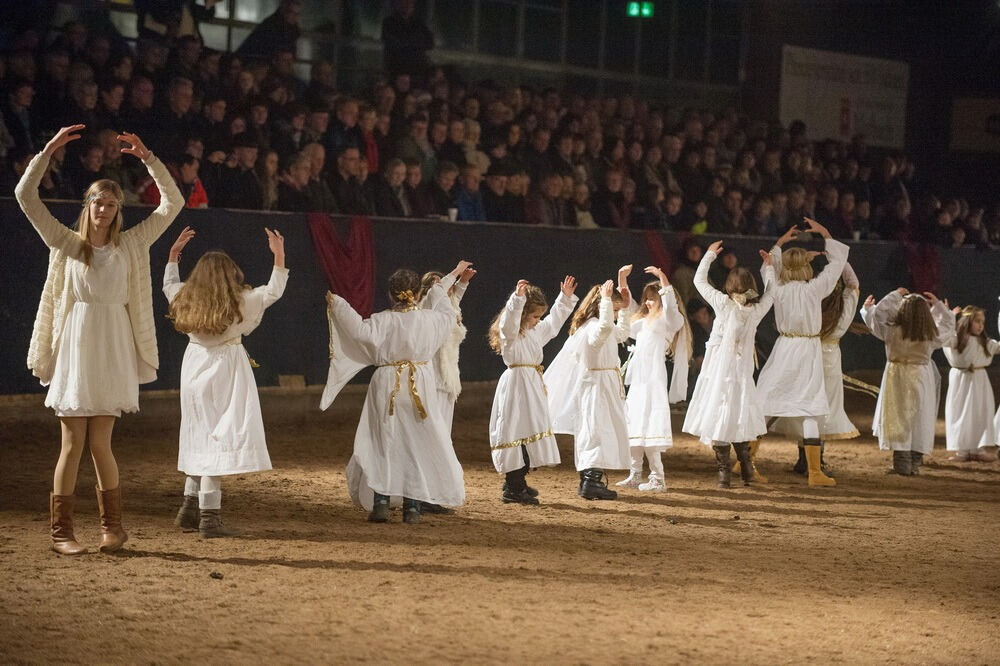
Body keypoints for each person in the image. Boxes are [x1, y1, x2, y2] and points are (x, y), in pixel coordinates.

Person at [16, 125, 183, 554]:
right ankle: (61, 533)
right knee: (71, 443)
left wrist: (149, 158)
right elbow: (25, 198)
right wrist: (48, 151)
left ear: (117, 208)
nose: (104, 209)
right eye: (97, 202)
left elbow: (173, 203)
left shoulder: (131, 243)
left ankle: (112, 529)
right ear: (87, 205)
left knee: (101, 445)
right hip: (78, 346)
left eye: (110, 203)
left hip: (113, 347)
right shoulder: (68, 244)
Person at [320, 261, 473, 524]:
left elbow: (357, 330)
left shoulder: (382, 320)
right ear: (418, 293)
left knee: (383, 440)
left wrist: (339, 305)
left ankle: (381, 502)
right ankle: (412, 507)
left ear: (390, 294)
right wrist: (448, 282)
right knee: (416, 442)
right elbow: (447, 310)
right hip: (420, 384)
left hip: (387, 383)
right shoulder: (432, 320)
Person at [163, 226, 288, 537]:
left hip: (193, 368)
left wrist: (173, 256)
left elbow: (169, 284)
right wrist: (279, 256)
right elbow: (273, 291)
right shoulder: (241, 301)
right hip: (226, 370)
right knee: (216, 439)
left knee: (199, 434)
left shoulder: (184, 298)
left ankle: (189, 508)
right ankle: (209, 515)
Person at [755, 218, 849, 486]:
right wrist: (825, 233)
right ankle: (815, 472)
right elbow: (837, 265)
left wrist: (778, 245)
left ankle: (744, 461)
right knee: (809, 407)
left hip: (785, 346)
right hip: (807, 349)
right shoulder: (814, 289)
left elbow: (768, 270)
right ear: (806, 267)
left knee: (764, 400)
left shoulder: (779, 289)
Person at [681, 241, 775, 487]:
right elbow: (773, 292)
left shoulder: (723, 303)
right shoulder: (756, 309)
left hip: (718, 370)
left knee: (719, 413)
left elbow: (699, 281)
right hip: (741, 371)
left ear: (730, 286)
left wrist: (710, 255)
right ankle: (746, 470)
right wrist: (770, 269)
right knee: (737, 414)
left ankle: (725, 472)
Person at [487, 276, 578, 505]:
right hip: (517, 386)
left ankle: (517, 482)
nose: (539, 321)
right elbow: (509, 320)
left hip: (531, 385)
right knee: (515, 433)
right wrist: (517, 300)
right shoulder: (512, 334)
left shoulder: (535, 331)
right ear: (523, 314)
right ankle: (514, 487)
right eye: (535, 316)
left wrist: (564, 299)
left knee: (528, 433)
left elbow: (553, 323)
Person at [545, 266, 633, 500]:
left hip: (604, 384)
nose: (614, 314)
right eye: (613, 310)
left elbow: (622, 333)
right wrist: (606, 301)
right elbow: (606, 327)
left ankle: (591, 480)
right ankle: (590, 482)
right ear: (601, 307)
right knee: (594, 431)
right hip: (595, 386)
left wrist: (623, 305)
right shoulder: (593, 327)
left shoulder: (600, 326)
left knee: (599, 430)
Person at [861, 289, 955, 475]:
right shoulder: (930, 335)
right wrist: (938, 306)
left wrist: (893, 295)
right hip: (921, 377)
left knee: (898, 418)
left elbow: (878, 316)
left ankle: (903, 463)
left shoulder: (891, 331)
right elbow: (948, 324)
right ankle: (914, 461)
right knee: (920, 417)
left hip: (897, 378)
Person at [618, 267, 690, 492]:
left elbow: (671, 307)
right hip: (639, 381)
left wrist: (663, 280)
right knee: (635, 425)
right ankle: (635, 473)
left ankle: (658, 477)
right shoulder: (641, 322)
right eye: (646, 299)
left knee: (650, 426)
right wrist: (621, 279)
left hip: (653, 380)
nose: (648, 302)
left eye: (653, 299)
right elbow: (627, 308)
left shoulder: (670, 321)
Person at [943, 306, 999, 462]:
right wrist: (947, 317)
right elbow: (941, 337)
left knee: (980, 413)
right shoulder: (956, 340)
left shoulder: (986, 343)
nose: (981, 325)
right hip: (961, 381)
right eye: (977, 321)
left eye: (983, 322)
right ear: (967, 322)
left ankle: (978, 449)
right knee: (960, 413)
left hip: (980, 381)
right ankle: (962, 451)